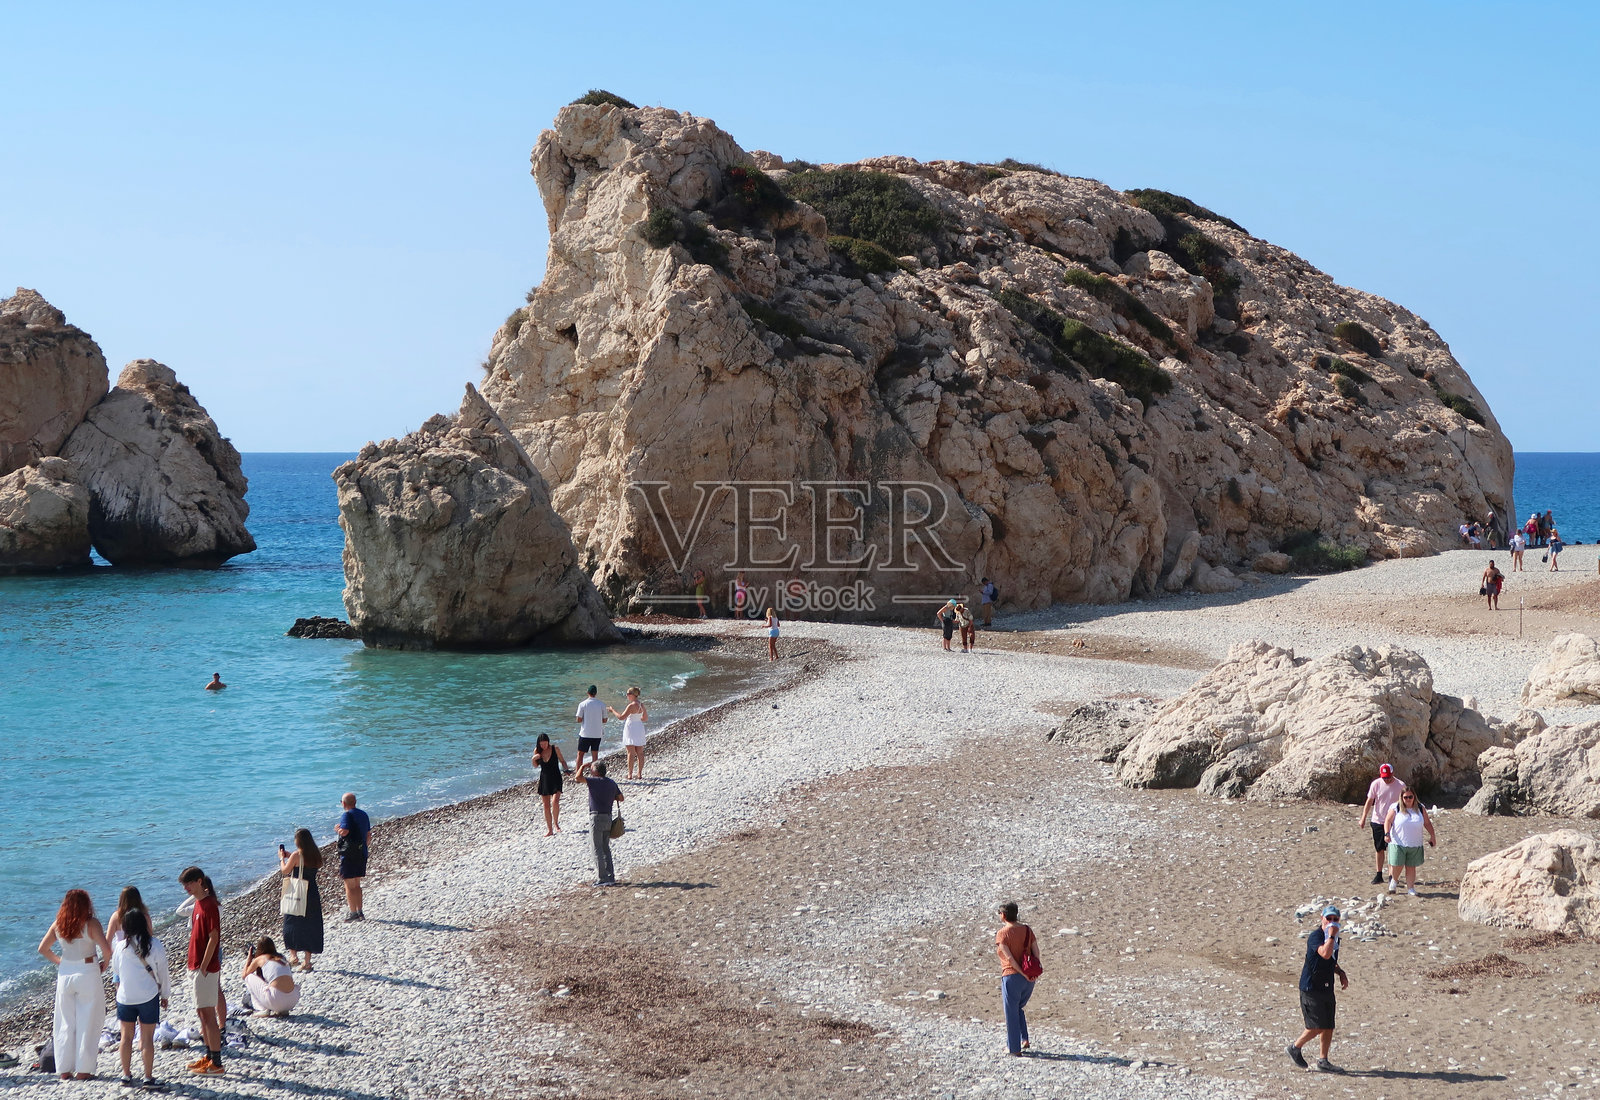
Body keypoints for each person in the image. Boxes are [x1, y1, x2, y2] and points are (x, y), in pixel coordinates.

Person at [38, 888, 110, 1081]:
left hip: (65, 973)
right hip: (87, 970)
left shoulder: (59, 924)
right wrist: (105, 963)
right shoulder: (91, 923)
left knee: (64, 1022)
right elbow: (106, 949)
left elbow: (43, 949)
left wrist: (60, 961)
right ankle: (84, 1069)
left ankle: (64, 1069)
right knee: (89, 1020)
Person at [111, 908, 170, 1091]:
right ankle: (148, 1077)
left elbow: (116, 971)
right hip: (148, 996)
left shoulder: (120, 947)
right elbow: (163, 972)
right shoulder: (154, 944)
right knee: (146, 1039)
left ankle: (126, 1075)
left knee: (126, 1037)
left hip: (125, 997)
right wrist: (165, 994)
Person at [1287, 905, 1348, 1072]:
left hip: (1326, 986)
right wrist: (1331, 935)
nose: (1332, 922)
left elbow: (1331, 960)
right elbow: (1325, 953)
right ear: (1322, 919)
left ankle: (1323, 1060)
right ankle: (1295, 1047)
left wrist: (1340, 972)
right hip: (1311, 987)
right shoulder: (1317, 937)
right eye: (1329, 919)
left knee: (1328, 1025)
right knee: (1316, 1026)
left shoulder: (1334, 939)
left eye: (1335, 919)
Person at [178, 867, 224, 1076]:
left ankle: (217, 1062)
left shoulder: (210, 904)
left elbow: (214, 937)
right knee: (201, 1014)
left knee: (208, 1015)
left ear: (199, 881)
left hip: (204, 968)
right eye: (184, 885)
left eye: (189, 883)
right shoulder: (197, 904)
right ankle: (208, 1056)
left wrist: (204, 965)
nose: (186, 888)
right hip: (195, 965)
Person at [995, 901, 1040, 1056]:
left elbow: (1009, 958)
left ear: (1003, 915)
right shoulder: (1027, 930)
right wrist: (1031, 973)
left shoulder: (1002, 933)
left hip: (1012, 976)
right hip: (1030, 977)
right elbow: (1036, 952)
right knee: (1018, 1008)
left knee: (1011, 1012)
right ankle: (1023, 1038)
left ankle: (1014, 1049)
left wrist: (1021, 972)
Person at [279, 828, 325, 971]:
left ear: (298, 841)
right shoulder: (315, 854)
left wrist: (282, 859)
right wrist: (291, 857)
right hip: (311, 892)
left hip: (297, 893)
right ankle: (307, 961)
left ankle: (293, 955)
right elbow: (313, 865)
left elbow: (285, 871)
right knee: (310, 925)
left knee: (291, 922)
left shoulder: (296, 855)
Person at [574, 759, 624, 886]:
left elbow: (577, 778)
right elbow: (621, 798)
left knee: (596, 848)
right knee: (606, 848)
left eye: (591, 769)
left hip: (596, 817)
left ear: (596, 771)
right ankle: (610, 876)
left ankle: (602, 878)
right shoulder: (611, 783)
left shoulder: (594, 781)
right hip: (608, 817)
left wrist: (582, 766)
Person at [1355, 764, 1406, 884]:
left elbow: (1405, 802)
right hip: (1377, 821)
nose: (1386, 779)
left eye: (1388, 777)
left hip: (1394, 821)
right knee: (1379, 849)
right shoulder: (1376, 784)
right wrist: (1363, 818)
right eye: (1384, 777)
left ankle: (1391, 876)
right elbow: (1369, 801)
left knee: (1392, 849)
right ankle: (1379, 874)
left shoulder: (1401, 785)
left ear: (1393, 774)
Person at [1383, 789, 1437, 896]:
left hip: (1415, 843)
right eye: (1405, 797)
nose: (1408, 799)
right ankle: (1394, 881)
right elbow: (1388, 821)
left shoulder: (1420, 808)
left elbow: (1427, 823)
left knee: (1411, 866)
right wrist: (1387, 834)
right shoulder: (1396, 807)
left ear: (1414, 797)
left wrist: (1432, 836)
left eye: (1410, 797)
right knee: (1397, 864)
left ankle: (1410, 888)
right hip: (1398, 842)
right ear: (1401, 798)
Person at [242, 938, 301, 1017]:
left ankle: (262, 1009)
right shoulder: (282, 958)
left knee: (249, 977)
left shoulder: (260, 959)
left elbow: (244, 975)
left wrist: (249, 959)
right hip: (293, 999)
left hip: (276, 999)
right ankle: (282, 1011)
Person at [335, 793, 371, 921]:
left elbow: (344, 832)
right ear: (355, 802)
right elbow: (368, 835)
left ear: (344, 803)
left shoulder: (346, 815)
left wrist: (338, 830)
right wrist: (364, 848)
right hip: (361, 852)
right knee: (357, 884)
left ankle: (353, 913)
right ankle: (360, 911)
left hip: (349, 854)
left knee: (349, 885)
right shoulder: (363, 814)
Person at [533, 732, 573, 836]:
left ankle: (556, 824)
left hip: (556, 777)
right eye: (541, 744)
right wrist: (534, 758)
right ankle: (550, 830)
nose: (543, 746)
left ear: (548, 742)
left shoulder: (555, 749)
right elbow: (535, 766)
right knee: (546, 806)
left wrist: (566, 769)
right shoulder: (537, 751)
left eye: (545, 743)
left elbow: (562, 761)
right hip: (544, 779)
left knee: (555, 802)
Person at [609, 687, 649, 780]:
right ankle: (639, 774)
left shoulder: (631, 706)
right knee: (640, 752)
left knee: (630, 752)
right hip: (639, 727)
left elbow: (621, 717)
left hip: (631, 728)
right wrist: (637, 718)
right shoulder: (641, 704)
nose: (627, 696)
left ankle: (630, 774)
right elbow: (645, 718)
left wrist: (612, 710)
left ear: (632, 695)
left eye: (628, 694)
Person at [105, 885, 150, 951]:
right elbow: (150, 936)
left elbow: (108, 942)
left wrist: (110, 956)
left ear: (122, 899)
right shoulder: (144, 916)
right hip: (141, 951)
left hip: (122, 952)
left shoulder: (117, 916)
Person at [575, 685, 607, 770]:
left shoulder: (582, 704)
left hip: (585, 733)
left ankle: (578, 773)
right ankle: (595, 773)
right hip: (597, 733)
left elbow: (578, 719)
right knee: (595, 755)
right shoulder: (602, 704)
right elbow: (605, 720)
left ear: (587, 692)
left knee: (580, 754)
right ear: (596, 693)